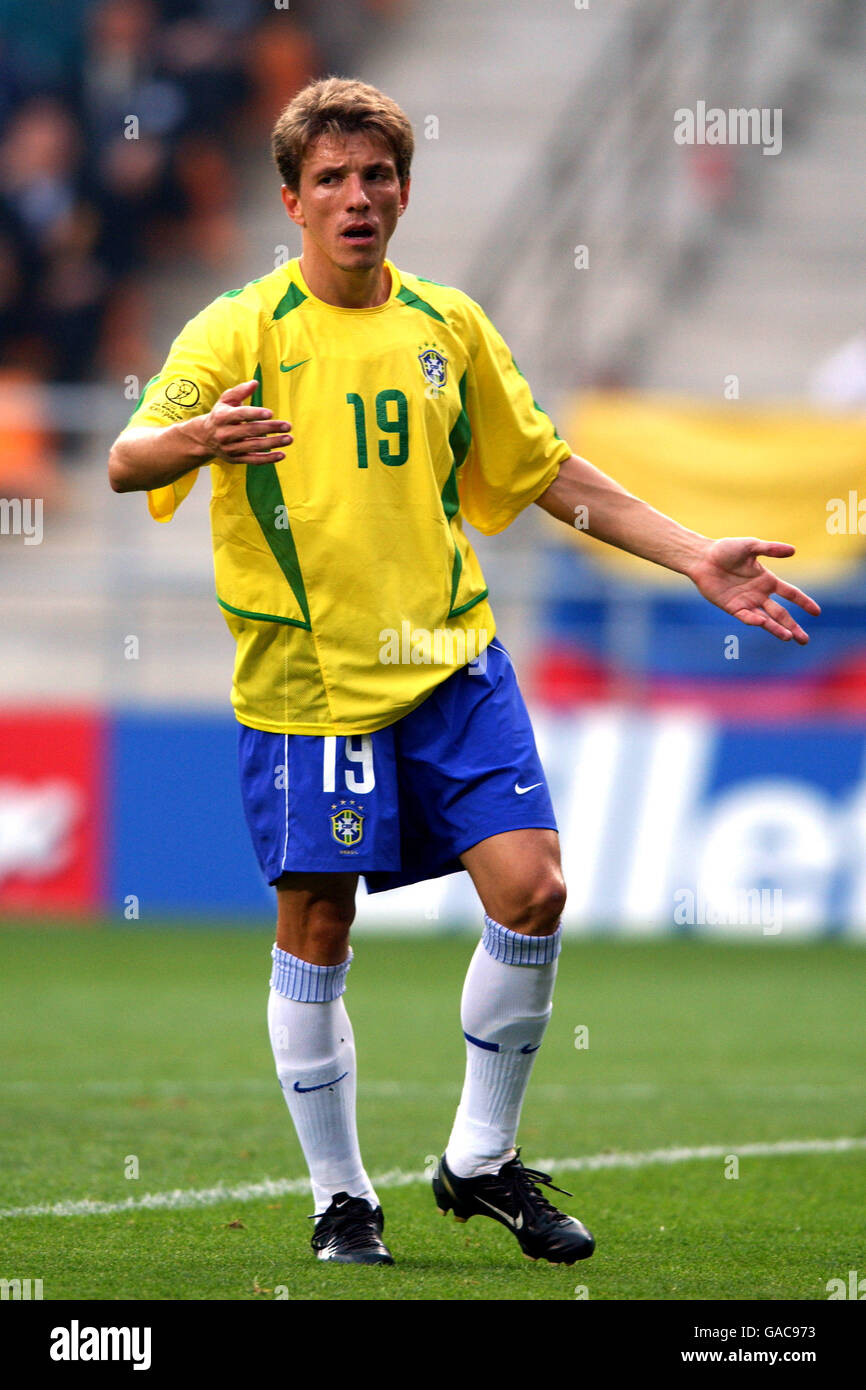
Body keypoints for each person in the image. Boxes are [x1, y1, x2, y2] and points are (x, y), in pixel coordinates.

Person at [108, 76, 820, 1268]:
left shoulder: (447, 325)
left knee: (532, 889)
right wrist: (195, 437)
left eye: (376, 176)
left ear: (401, 192)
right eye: (329, 179)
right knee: (319, 920)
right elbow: (131, 458)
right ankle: (342, 1197)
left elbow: (544, 470)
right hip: (311, 685)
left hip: (452, 664)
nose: (355, 197)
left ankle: (478, 1159)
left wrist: (694, 553)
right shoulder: (239, 328)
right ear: (290, 199)